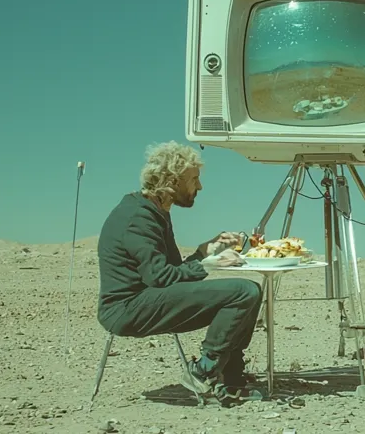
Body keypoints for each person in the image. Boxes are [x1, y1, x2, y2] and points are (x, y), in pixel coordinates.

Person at [95, 140, 264, 405]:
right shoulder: (138, 217)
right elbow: (161, 278)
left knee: (251, 290)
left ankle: (231, 379)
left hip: (148, 300)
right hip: (127, 309)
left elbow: (172, 272)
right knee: (244, 292)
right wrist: (211, 264)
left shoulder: (155, 210)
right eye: (194, 179)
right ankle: (204, 371)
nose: (199, 186)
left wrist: (204, 252)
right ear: (173, 181)